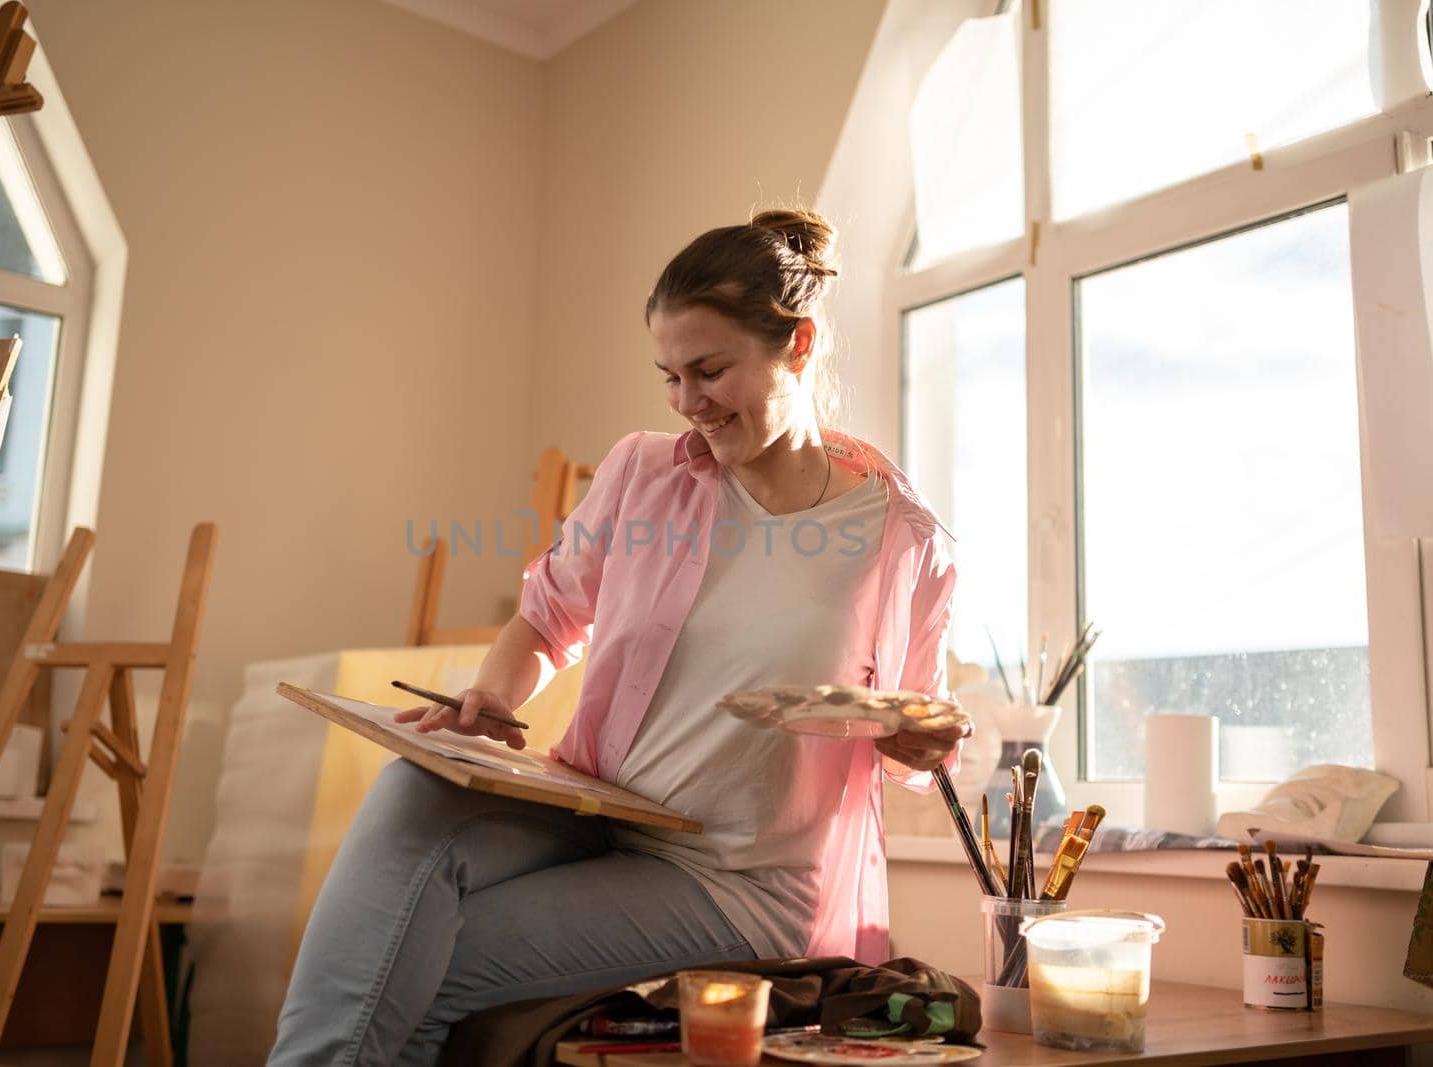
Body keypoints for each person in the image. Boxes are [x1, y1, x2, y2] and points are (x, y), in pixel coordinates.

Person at [267, 208, 966, 1067]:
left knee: (417, 957)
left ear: (800, 344)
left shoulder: (903, 539)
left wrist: (923, 741)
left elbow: (910, 745)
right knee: (414, 788)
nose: (687, 403)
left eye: (710, 370)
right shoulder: (646, 473)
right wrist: (494, 695)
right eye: (670, 375)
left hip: (738, 881)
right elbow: (544, 614)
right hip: (602, 812)